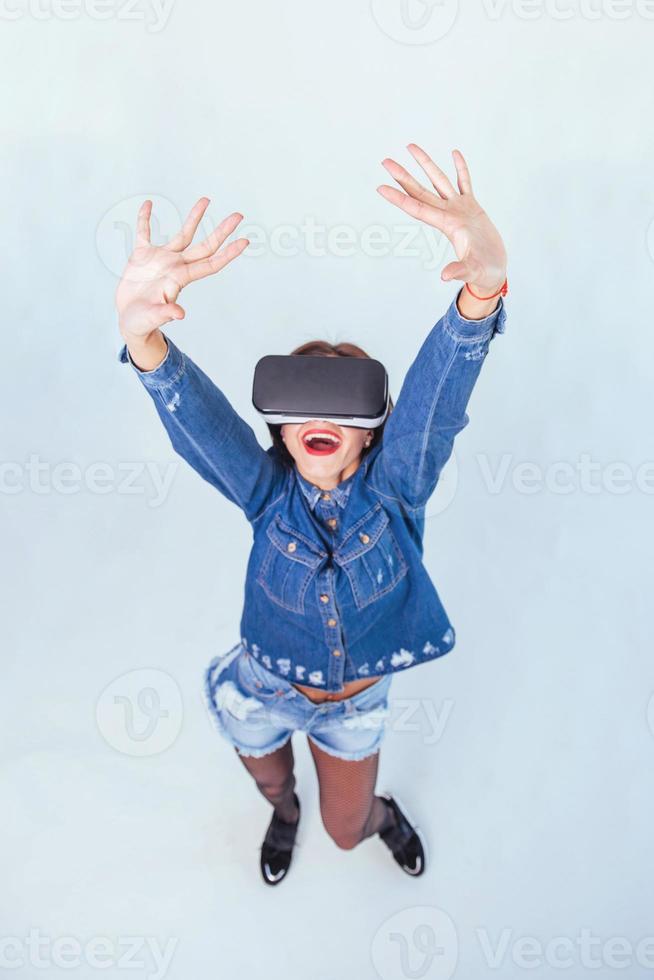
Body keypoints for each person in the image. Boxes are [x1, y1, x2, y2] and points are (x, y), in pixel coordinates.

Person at [116, 144, 508, 885]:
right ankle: (282, 812)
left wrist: (479, 298)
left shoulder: (395, 489)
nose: (316, 416)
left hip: (352, 708)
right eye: (299, 403)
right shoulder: (267, 495)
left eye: (340, 402)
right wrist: (144, 339)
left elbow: (433, 410)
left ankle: (376, 816)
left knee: (346, 830)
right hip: (263, 684)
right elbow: (201, 427)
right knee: (272, 785)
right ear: (283, 430)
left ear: (369, 429)